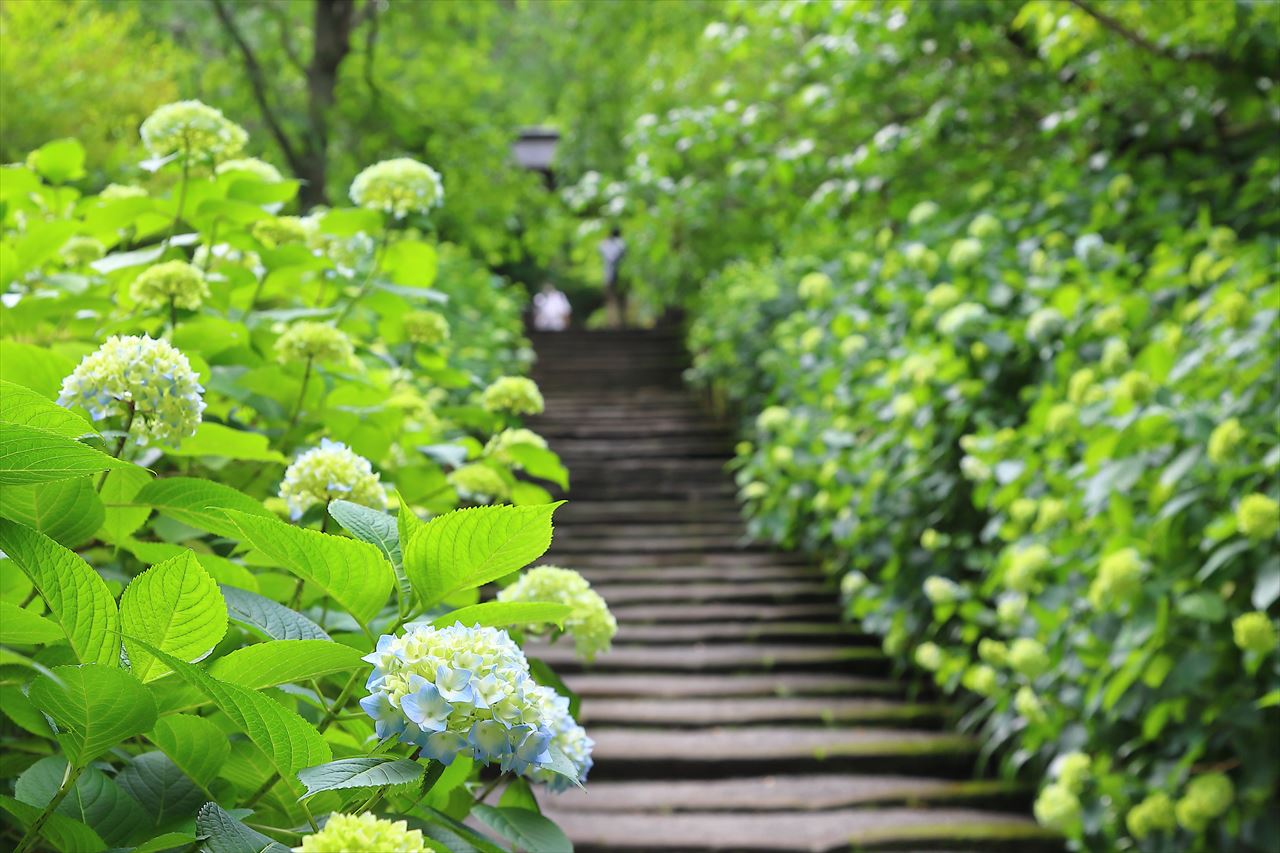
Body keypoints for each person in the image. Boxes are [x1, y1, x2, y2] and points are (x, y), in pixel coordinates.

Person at [599, 225, 627, 328]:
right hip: (619, 276)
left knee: (611, 299)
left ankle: (614, 322)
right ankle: (617, 322)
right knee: (618, 299)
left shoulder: (608, 244)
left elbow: (603, 251)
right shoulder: (621, 243)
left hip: (610, 275)